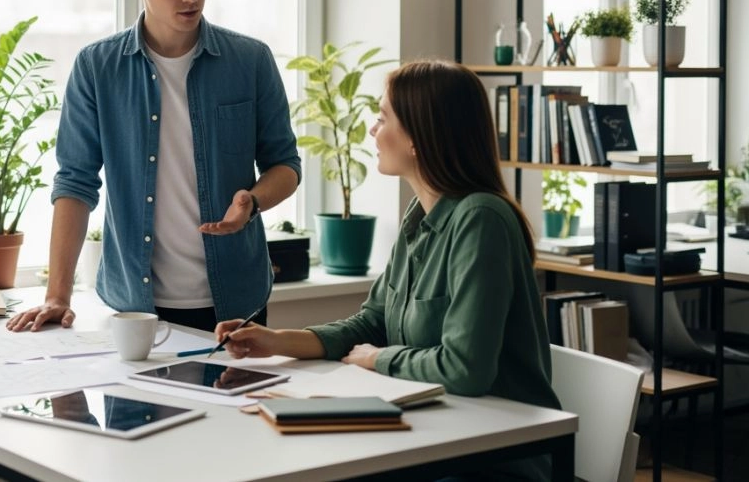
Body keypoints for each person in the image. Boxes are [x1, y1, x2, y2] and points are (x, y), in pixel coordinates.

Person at [215, 60, 559, 481]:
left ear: (418, 137)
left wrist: (379, 360)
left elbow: (465, 369)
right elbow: (374, 321)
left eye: (382, 118)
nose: (373, 132)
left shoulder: (481, 219)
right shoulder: (421, 213)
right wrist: (277, 341)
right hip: (433, 434)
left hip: (493, 458)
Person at [7, 0, 301, 334]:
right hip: (135, 308)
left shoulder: (250, 61)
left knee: (234, 403)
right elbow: (75, 181)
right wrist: (57, 296)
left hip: (237, 300)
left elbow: (286, 165)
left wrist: (250, 203)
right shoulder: (97, 67)